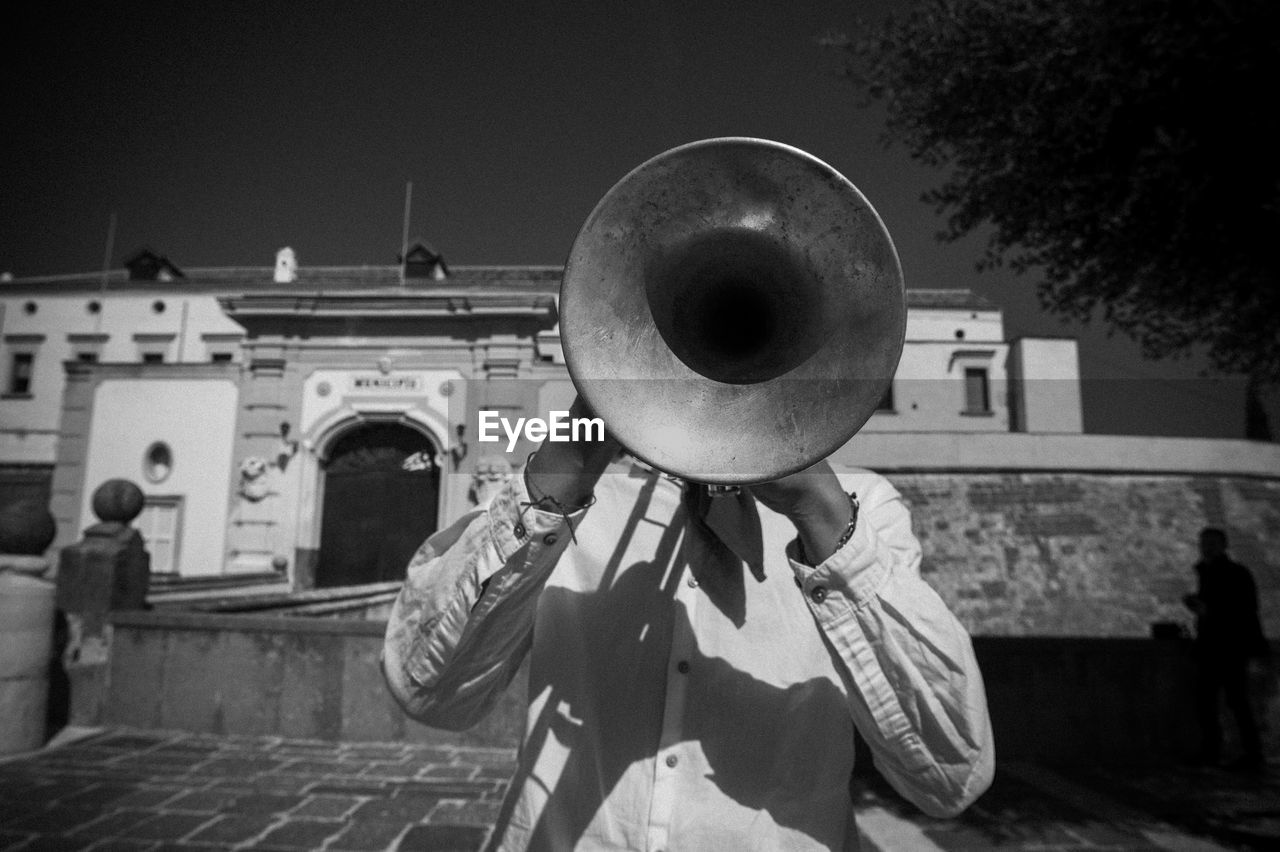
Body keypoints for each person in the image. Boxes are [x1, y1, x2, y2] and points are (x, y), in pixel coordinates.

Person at [382, 398, 995, 850]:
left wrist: (818, 509)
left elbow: (950, 776)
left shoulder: (861, 505)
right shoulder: (554, 492)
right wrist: (570, 457)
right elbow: (427, 693)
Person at [1183, 527, 1268, 772]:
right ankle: (1232, 751)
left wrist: (1208, 611)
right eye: (1204, 543)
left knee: (1232, 701)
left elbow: (1244, 609)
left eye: (1211, 543)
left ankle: (1245, 752)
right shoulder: (1214, 572)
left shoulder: (1232, 573)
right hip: (1217, 646)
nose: (1206, 547)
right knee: (1214, 701)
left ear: (1223, 545)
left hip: (1228, 647)